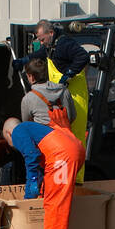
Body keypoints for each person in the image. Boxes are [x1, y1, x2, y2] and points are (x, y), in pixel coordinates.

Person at [2, 115, 85, 229]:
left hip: (62, 155)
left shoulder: (18, 130)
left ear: (8, 134)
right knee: (52, 197)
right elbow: (41, 159)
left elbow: (31, 156)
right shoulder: (36, 129)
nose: (13, 146)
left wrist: (31, 185)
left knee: (56, 204)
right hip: (74, 150)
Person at [33, 20, 89, 182]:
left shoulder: (64, 44)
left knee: (75, 136)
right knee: (61, 137)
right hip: (61, 95)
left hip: (75, 97)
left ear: (51, 33)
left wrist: (69, 74)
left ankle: (76, 178)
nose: (41, 43)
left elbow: (83, 56)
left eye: (42, 39)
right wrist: (23, 61)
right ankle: (63, 174)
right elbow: (38, 55)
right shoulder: (51, 48)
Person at [20, 57, 76, 128]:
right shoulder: (64, 90)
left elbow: (26, 124)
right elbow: (73, 116)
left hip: (43, 137)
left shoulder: (28, 98)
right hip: (65, 136)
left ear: (31, 77)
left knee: (14, 125)